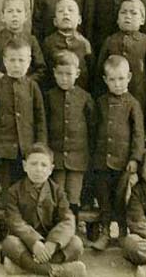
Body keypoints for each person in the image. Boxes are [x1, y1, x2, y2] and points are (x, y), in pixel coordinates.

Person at [1, 143, 87, 277]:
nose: (38, 169)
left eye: (43, 165)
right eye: (33, 164)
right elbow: (15, 221)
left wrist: (52, 244)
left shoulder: (57, 191)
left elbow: (68, 219)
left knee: (76, 244)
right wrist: (34, 242)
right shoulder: (14, 191)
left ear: (51, 169)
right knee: (9, 244)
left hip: (49, 247)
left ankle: (28, 269)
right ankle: (55, 271)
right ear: (25, 166)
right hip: (27, 245)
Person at [0, 36, 47, 204]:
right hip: (5, 150)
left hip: (27, 149)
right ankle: (9, 224)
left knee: (28, 188)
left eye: (21, 60)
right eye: (12, 60)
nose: (17, 65)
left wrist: (41, 147)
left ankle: (26, 223)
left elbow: (40, 120)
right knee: (8, 190)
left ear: (29, 61)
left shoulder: (32, 86)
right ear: (4, 61)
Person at [90, 54, 145, 251]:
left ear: (129, 77)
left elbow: (138, 133)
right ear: (105, 80)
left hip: (123, 162)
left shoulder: (133, 104)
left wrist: (135, 158)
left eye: (121, 78)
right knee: (103, 198)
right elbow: (93, 129)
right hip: (101, 160)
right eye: (112, 79)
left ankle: (122, 232)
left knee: (121, 199)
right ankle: (105, 232)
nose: (117, 83)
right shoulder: (100, 102)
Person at [45, 52, 95, 224]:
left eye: (69, 74)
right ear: (54, 73)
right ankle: (57, 226)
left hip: (78, 157)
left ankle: (72, 227)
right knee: (58, 192)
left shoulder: (84, 97)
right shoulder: (49, 96)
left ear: (77, 74)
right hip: (56, 156)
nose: (64, 78)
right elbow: (44, 124)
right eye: (60, 74)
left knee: (73, 194)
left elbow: (92, 126)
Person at [96, 0, 146, 121]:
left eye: (133, 13)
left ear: (142, 20)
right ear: (117, 19)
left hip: (139, 98)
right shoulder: (110, 41)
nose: (128, 16)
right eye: (123, 12)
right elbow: (99, 73)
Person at [0, 0, 47, 86]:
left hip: (26, 88)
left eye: (19, 11)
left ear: (26, 16)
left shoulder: (31, 40)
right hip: (3, 86)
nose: (15, 15)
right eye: (10, 11)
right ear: (3, 16)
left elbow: (41, 68)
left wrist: (28, 80)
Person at [39, 0, 92, 91]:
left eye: (70, 10)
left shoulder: (84, 44)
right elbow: (45, 72)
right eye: (60, 11)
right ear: (55, 21)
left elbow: (90, 73)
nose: (66, 13)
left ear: (79, 19)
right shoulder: (49, 43)